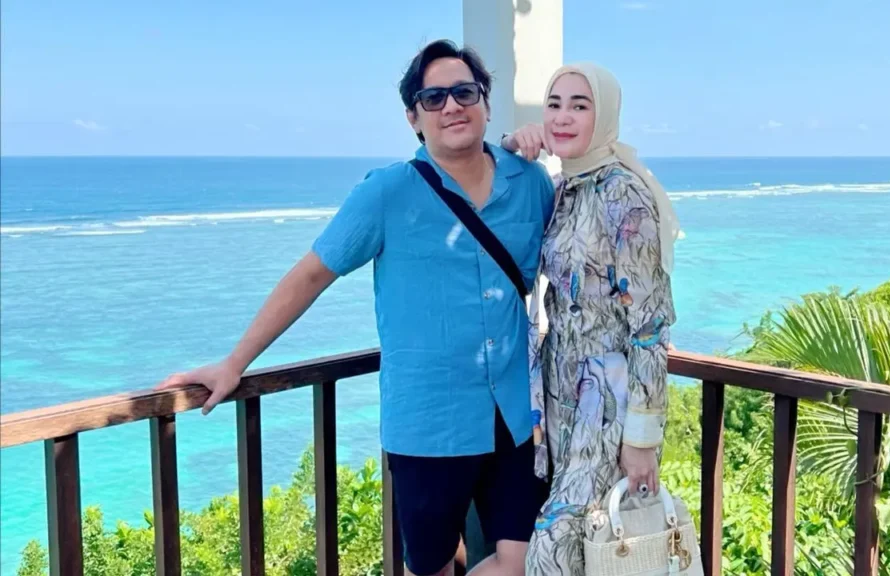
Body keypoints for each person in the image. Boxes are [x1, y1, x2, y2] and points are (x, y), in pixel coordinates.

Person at [156, 40, 555, 576]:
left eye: (464, 92)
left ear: (485, 101)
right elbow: (311, 275)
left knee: (527, 562)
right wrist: (234, 363)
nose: (451, 107)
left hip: (514, 416)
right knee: (432, 565)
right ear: (414, 118)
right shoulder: (387, 193)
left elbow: (579, 250)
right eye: (433, 98)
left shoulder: (529, 182)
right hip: (429, 423)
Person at [499, 63, 679, 575]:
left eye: (580, 105)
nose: (562, 117)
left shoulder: (624, 193)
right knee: (584, 551)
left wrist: (641, 440)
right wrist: (510, 147)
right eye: (553, 104)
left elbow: (650, 326)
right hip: (560, 391)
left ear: (604, 115)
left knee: (552, 548)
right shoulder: (563, 187)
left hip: (608, 400)